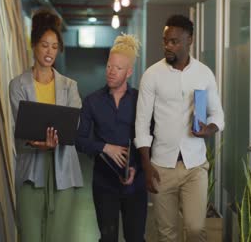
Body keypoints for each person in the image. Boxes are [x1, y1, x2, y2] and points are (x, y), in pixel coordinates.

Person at [134, 14, 225, 242]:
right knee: (167, 234)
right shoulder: (151, 75)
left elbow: (218, 115)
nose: (168, 46)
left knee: (195, 229)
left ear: (189, 40)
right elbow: (142, 123)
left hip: (195, 166)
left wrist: (208, 129)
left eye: (174, 41)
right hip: (161, 167)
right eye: (166, 41)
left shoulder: (204, 73)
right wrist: (146, 165)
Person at [9, 9, 83, 242]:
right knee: (30, 235)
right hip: (31, 169)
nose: (49, 51)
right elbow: (19, 127)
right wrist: (37, 143)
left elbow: (74, 124)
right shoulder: (18, 85)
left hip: (63, 169)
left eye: (54, 46)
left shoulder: (69, 86)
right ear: (34, 46)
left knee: (58, 236)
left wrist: (55, 140)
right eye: (44, 45)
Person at [76, 34, 147, 242]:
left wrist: (136, 168)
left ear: (129, 72)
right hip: (104, 182)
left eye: (117, 68)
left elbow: (150, 138)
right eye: (109, 66)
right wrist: (105, 147)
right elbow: (79, 140)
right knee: (107, 239)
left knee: (136, 238)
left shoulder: (140, 100)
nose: (111, 72)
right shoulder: (92, 101)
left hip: (136, 182)